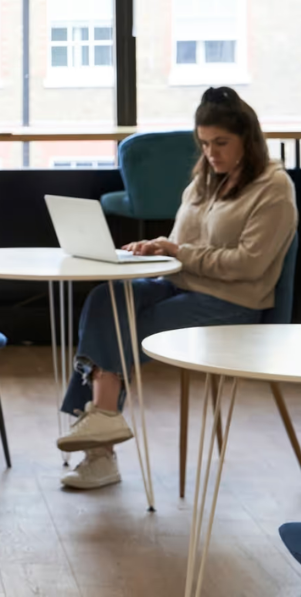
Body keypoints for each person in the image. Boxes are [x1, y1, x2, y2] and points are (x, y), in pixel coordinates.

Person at [56, 87, 297, 490]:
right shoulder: (205, 180)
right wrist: (157, 248)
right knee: (107, 297)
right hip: (180, 284)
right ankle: (104, 420)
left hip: (233, 302)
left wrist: (180, 252)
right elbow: (183, 242)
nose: (211, 153)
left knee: (123, 327)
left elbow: (248, 264)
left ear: (248, 141)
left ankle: (100, 447)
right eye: (204, 144)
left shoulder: (274, 189)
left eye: (221, 143)